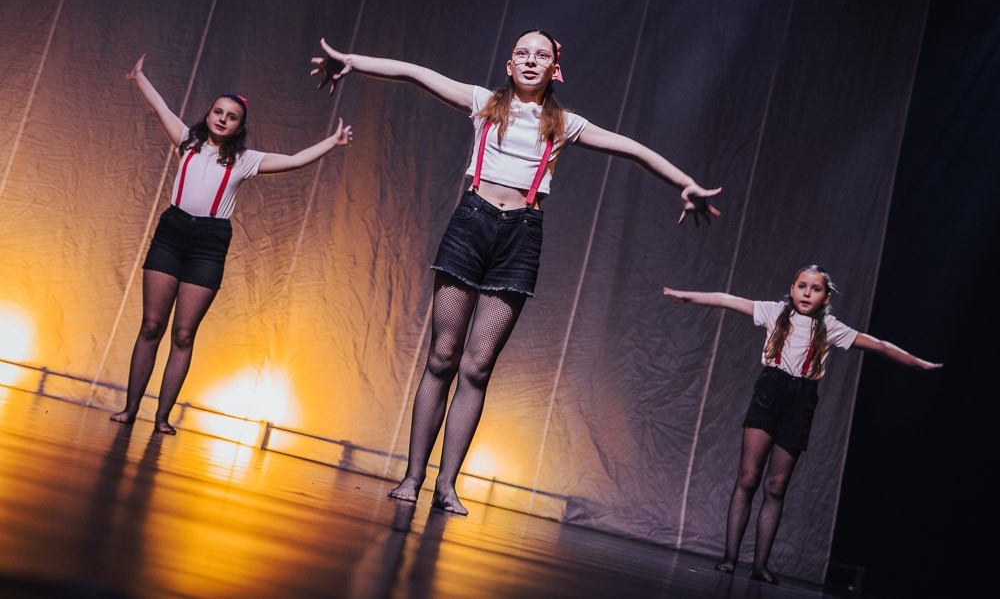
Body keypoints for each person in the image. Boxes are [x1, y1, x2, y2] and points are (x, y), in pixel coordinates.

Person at [310, 29, 723, 515]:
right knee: (442, 357)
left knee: (477, 366)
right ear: (509, 65)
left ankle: (446, 485)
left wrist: (685, 183)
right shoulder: (484, 103)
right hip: (471, 225)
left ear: (555, 69)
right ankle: (412, 476)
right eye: (522, 54)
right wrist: (352, 61)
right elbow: (415, 74)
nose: (530, 60)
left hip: (520, 236)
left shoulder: (565, 123)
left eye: (540, 55)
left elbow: (632, 148)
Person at [110, 54, 353, 435]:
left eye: (232, 116)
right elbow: (161, 108)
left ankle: (162, 418)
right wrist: (139, 76)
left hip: (209, 243)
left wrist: (332, 142)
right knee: (152, 324)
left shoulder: (243, 160)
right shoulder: (187, 142)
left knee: (183, 334)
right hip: (172, 233)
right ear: (208, 115)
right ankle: (130, 408)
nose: (223, 119)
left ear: (240, 125)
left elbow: (293, 160)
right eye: (218, 112)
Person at [662, 265, 943, 585]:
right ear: (792, 288)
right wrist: (686, 296)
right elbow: (727, 299)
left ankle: (760, 565)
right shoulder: (774, 312)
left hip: (800, 402)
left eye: (815, 289)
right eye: (802, 286)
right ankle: (730, 557)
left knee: (776, 486)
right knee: (748, 477)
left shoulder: (830, 328)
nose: (807, 293)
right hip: (769, 394)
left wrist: (917, 363)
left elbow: (878, 344)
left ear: (826, 297)